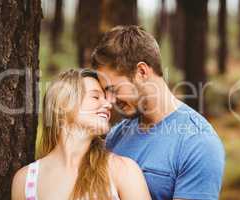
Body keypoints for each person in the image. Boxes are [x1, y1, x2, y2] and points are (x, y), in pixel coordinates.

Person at [91, 25, 226, 200]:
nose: (109, 100)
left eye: (113, 89)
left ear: (141, 72)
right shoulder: (115, 136)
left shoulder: (198, 142)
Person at [11, 69, 151, 200]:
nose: (108, 105)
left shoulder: (123, 171)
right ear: (63, 105)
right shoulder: (25, 181)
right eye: (96, 97)